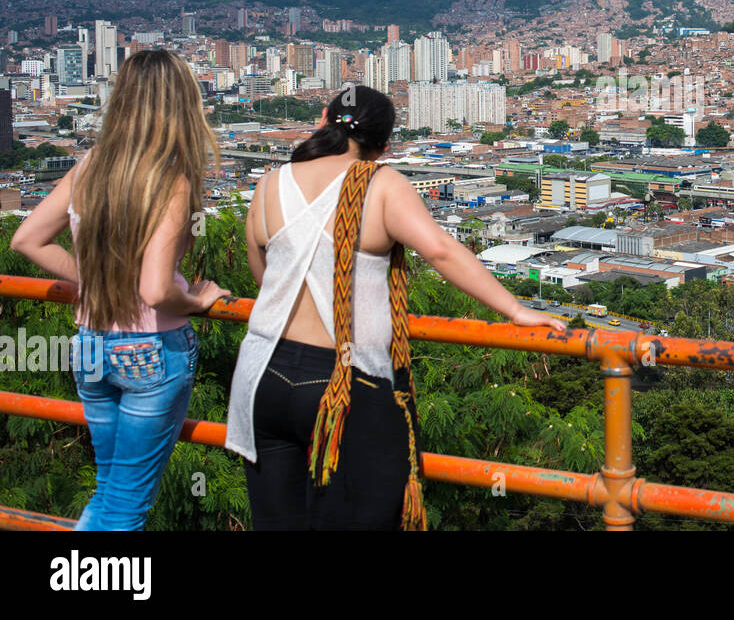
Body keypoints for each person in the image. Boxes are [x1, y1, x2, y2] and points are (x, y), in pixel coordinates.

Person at [227, 85, 564, 530]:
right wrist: (515, 311)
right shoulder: (382, 184)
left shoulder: (271, 183)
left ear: (325, 117)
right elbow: (441, 251)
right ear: (384, 145)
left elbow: (264, 274)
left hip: (261, 376)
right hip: (338, 382)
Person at [12, 49, 230, 530]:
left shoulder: (89, 165)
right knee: (126, 505)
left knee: (109, 489)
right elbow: (155, 290)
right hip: (150, 349)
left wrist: (95, 280)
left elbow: (27, 239)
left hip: (90, 343)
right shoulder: (172, 180)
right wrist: (197, 299)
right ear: (182, 104)